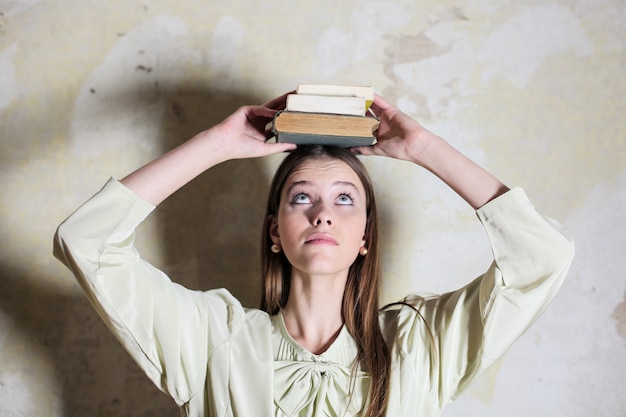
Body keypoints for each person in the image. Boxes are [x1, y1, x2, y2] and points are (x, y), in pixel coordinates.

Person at [53, 93, 575, 417]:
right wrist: (218, 143)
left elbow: (542, 256)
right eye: (302, 197)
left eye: (345, 199)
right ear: (275, 232)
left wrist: (423, 148)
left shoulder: (420, 346)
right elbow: (87, 240)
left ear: (366, 235)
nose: (323, 214)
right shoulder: (213, 339)